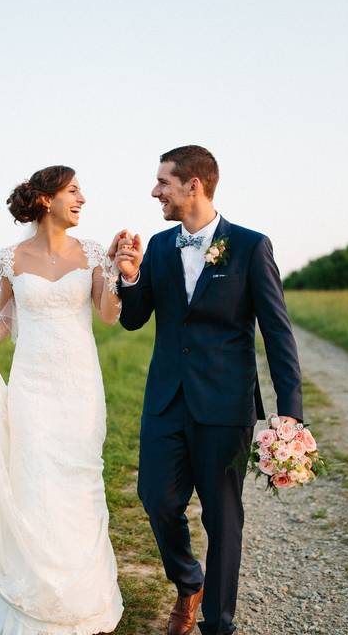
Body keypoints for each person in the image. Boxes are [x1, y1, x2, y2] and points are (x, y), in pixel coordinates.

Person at [113, 145, 304, 635]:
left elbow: (277, 333)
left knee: (223, 520)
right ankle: (187, 579)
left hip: (224, 405)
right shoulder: (157, 246)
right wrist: (130, 277)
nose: (155, 191)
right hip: (166, 401)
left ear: (192, 185)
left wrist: (290, 414)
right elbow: (134, 320)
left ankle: (217, 624)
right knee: (156, 498)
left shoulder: (250, 246)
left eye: (163, 182)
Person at [0, 165, 124, 635]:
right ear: (46, 199)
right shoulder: (8, 257)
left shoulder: (93, 252)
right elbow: (6, 318)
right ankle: (28, 600)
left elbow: (109, 315)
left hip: (79, 388)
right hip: (32, 388)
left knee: (80, 482)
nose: (82, 198)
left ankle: (83, 601)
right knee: (33, 484)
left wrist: (118, 273)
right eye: (73, 190)